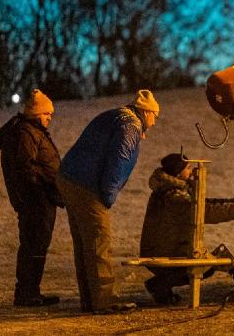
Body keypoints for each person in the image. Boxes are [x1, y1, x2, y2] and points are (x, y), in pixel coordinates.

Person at [56, 89, 160, 314]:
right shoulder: (130, 126)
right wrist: (109, 194)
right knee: (98, 240)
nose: (155, 121)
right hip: (87, 185)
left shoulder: (115, 115)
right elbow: (119, 160)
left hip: (69, 177)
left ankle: (89, 300)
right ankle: (105, 301)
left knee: (84, 242)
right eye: (155, 115)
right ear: (146, 111)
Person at [139, 152, 234, 305]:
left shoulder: (168, 190)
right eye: (188, 168)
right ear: (178, 172)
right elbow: (205, 212)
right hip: (163, 252)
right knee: (206, 266)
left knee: (205, 262)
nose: (192, 170)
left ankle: (161, 287)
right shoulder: (174, 197)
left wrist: (233, 202)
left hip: (160, 247)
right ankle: (159, 285)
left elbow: (203, 203)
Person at [0, 89, 64, 307]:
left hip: (40, 199)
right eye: (47, 113)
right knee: (34, 245)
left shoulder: (32, 131)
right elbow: (25, 166)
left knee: (37, 245)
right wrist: (45, 183)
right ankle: (26, 293)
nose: (50, 117)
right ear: (36, 112)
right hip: (36, 200)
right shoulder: (26, 132)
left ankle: (31, 291)